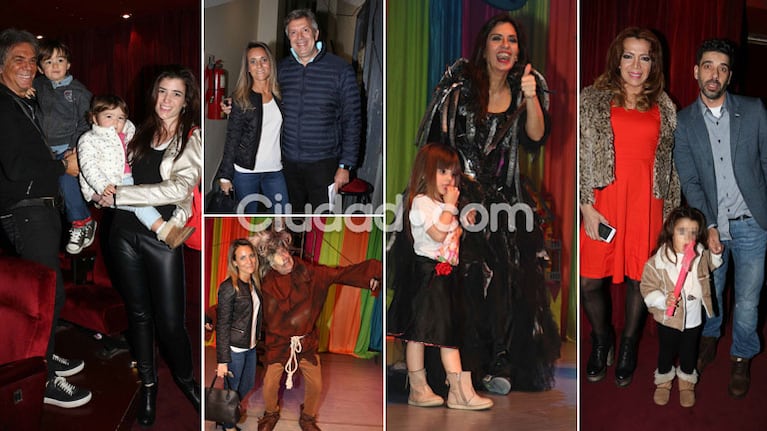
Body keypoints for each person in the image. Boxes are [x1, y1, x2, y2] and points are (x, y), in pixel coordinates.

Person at [412, 12, 560, 393]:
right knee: (467, 274)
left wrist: (530, 98)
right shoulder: (459, 88)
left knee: (508, 278)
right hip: (459, 197)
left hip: (506, 200)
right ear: (484, 46)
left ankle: (500, 363)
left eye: (511, 40)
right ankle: (460, 366)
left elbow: (535, 138)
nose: (505, 46)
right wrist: (444, 195)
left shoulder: (527, 87)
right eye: (497, 38)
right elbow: (435, 144)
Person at [96, 66, 202, 426]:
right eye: (162, 91)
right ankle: (149, 385)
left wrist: (121, 195)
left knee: (171, 322)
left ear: (187, 101)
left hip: (161, 236)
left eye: (176, 94)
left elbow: (179, 190)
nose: (166, 100)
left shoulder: (192, 137)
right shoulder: (137, 131)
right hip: (123, 233)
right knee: (139, 315)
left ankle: (187, 381)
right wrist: (99, 187)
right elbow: (110, 169)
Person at [579, 27, 679, 387]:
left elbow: (671, 167)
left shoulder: (665, 107)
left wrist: (672, 219)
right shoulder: (590, 99)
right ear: (616, 60)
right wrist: (585, 205)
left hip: (646, 204)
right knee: (590, 280)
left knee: (639, 279)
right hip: (603, 202)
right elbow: (577, 154)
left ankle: (628, 346)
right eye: (628, 56)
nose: (636, 65)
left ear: (654, 63)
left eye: (645, 57)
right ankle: (602, 338)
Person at [0, 28, 92, 408]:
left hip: (41, 207)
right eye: (18, 59)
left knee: (51, 292)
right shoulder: (3, 105)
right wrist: (62, 166)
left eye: (32, 60)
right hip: (25, 210)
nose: (29, 67)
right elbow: (18, 165)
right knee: (45, 295)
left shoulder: (23, 100)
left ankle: (45, 352)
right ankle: (43, 378)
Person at [673, 38, 767, 399]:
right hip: (713, 225)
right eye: (708, 66)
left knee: (747, 299)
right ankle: (710, 338)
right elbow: (691, 180)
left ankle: (741, 357)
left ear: (729, 76)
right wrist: (708, 224)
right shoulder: (683, 123)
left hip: (753, 224)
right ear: (696, 71)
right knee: (711, 291)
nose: (715, 74)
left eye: (723, 68)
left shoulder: (755, 110)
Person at [388, 143, 494, 411]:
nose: (449, 178)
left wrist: (461, 221)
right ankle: (425, 389)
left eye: (453, 173)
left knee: (440, 333)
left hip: (445, 277)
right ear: (426, 172)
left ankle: (451, 390)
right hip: (427, 276)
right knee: (422, 335)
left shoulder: (442, 205)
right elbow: (436, 234)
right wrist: (450, 209)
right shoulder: (421, 202)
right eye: (443, 171)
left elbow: (451, 235)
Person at [251, 229, 381, 431]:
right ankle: (270, 413)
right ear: (269, 264)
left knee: (316, 385)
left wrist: (373, 274)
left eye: (285, 251)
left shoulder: (312, 273)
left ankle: (308, 417)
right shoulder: (264, 284)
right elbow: (242, 301)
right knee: (269, 383)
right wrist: (212, 317)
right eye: (278, 257)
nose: (286, 258)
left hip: (306, 343)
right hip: (277, 344)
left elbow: (342, 273)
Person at [78, 94, 194, 248]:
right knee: (139, 205)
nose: (115, 122)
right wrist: (102, 186)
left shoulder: (126, 133)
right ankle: (165, 232)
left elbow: (133, 134)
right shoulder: (89, 139)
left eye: (120, 118)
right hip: (105, 184)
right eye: (109, 116)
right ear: (94, 118)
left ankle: (167, 231)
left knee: (138, 202)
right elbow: (88, 167)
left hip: (124, 179)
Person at [278, 8, 361, 212]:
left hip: (324, 164)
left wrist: (345, 165)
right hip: (287, 163)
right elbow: (263, 101)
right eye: (293, 32)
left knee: (322, 221)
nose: (300, 38)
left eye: (305, 30)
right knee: (292, 219)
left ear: (315, 34)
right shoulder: (281, 69)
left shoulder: (341, 70)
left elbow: (353, 120)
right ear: (288, 38)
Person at [639, 206, 722, 407]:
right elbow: (647, 287)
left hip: (693, 318)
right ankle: (664, 381)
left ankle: (686, 383)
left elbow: (710, 265)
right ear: (670, 231)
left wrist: (716, 254)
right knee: (666, 351)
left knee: (689, 351)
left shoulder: (699, 256)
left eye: (693, 232)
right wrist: (661, 300)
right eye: (682, 231)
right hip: (668, 319)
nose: (688, 237)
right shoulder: (656, 262)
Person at [33, 39, 96, 254]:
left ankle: (82, 221)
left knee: (68, 186)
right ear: (40, 69)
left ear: (68, 64)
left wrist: (73, 148)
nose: (55, 65)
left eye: (60, 60)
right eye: (49, 62)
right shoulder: (39, 86)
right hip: (44, 150)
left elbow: (86, 122)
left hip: (68, 149)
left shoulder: (78, 92)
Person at [214, 41, 288, 214]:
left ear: (271, 63)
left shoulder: (281, 94)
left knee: (283, 213)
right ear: (247, 68)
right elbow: (232, 138)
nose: (259, 65)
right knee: (248, 218)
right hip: (245, 171)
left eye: (263, 60)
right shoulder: (241, 99)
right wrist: (225, 175)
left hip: (275, 170)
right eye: (253, 61)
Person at [216, 238, 263, 431]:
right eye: (242, 257)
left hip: (250, 346)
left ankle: (225, 413)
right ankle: (228, 425)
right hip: (235, 349)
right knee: (232, 390)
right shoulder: (229, 287)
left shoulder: (253, 283)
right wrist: (222, 360)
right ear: (234, 262)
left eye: (251, 255)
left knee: (248, 384)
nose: (249, 261)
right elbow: (222, 324)